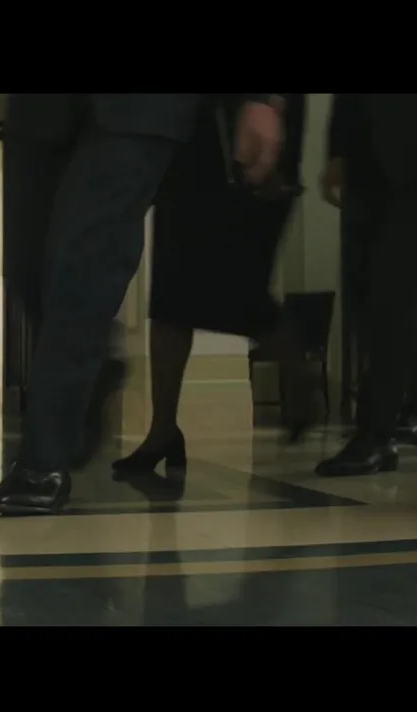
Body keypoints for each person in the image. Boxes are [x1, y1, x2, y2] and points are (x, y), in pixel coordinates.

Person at [0, 94, 284, 515]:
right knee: (25, 264)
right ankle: (93, 369)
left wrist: (260, 99)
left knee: (83, 263)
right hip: (39, 108)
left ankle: (42, 463)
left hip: (140, 111)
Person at [114, 94, 311, 477]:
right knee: (169, 292)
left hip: (245, 126)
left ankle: (293, 363)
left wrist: (267, 102)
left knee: (239, 287)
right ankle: (162, 428)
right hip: (191, 135)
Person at [315, 94, 417, 476]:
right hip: (364, 164)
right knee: (364, 300)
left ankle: (376, 434)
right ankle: (411, 404)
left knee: (397, 301)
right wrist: (337, 150)